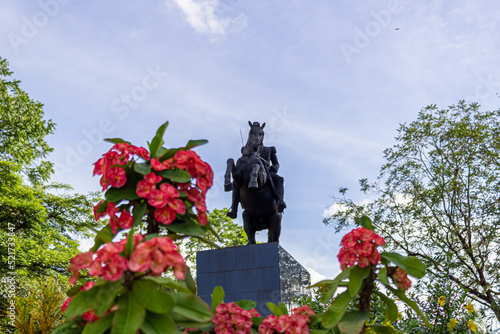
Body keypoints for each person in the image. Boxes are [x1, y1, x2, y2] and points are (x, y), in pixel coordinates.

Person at [227, 122, 286, 219]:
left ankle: (280, 201)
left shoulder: (268, 149)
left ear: (262, 136)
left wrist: (274, 168)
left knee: (279, 179)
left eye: (260, 134)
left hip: (266, 172)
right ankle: (234, 208)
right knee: (236, 183)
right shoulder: (246, 151)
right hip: (247, 171)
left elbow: (276, 163)